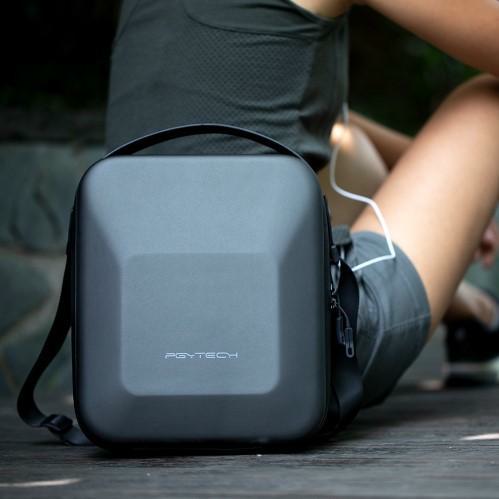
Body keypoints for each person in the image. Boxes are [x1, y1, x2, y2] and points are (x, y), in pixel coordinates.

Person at [106, 0, 499, 406]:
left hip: (133, 350)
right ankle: (480, 314)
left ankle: (465, 306)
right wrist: (463, 184)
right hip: (287, 357)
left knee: (347, 151)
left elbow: (300, 113)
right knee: (490, 100)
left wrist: (456, 193)